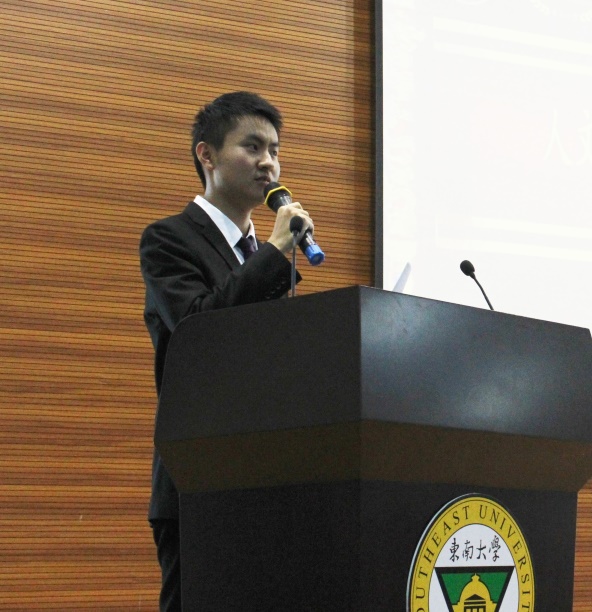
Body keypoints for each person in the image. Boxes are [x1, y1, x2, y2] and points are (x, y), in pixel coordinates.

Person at [139, 91, 314, 611]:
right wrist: (275, 251)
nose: (269, 163)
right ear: (207, 155)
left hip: (267, 479)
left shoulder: (262, 256)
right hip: (199, 479)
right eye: (252, 147)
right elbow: (200, 327)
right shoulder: (168, 240)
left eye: (275, 150)